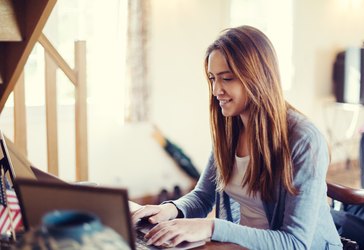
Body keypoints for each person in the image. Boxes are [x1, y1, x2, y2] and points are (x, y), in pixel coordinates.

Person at [132, 25, 343, 249]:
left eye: (227, 79)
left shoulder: (304, 140)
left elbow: (295, 243)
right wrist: (169, 210)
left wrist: (211, 227)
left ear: (257, 78)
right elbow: (204, 195)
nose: (215, 90)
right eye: (212, 78)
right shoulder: (230, 127)